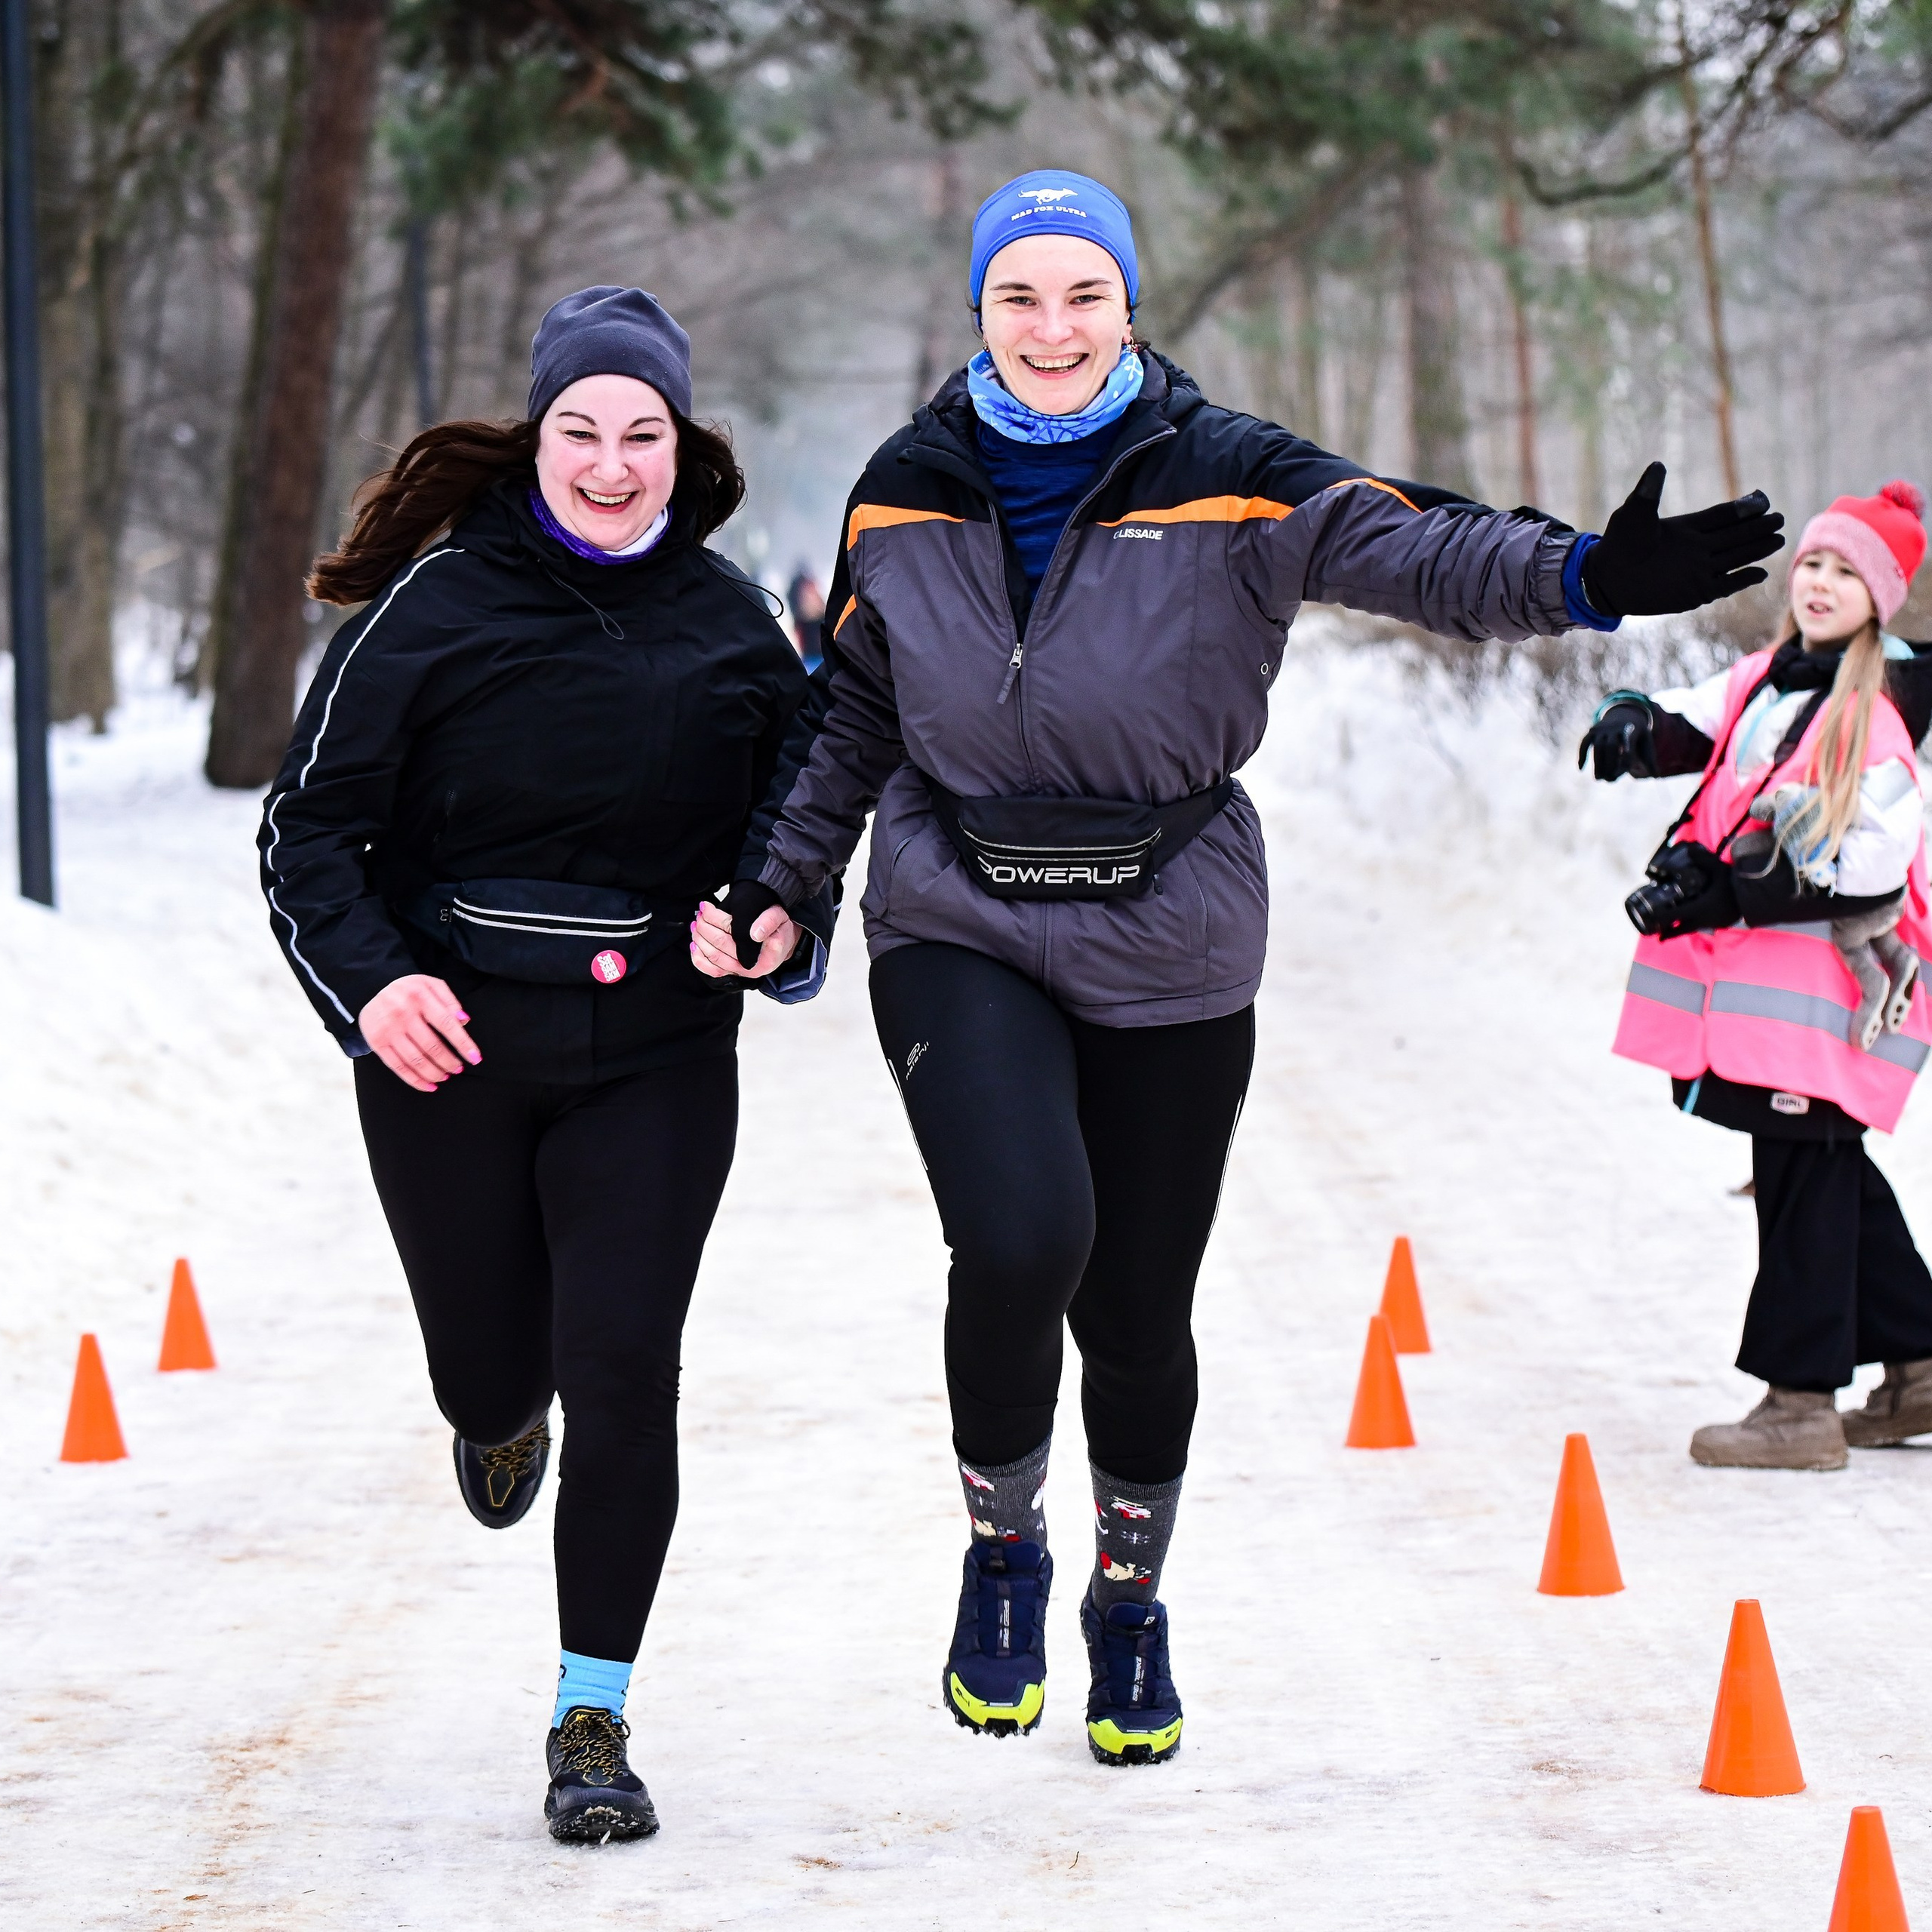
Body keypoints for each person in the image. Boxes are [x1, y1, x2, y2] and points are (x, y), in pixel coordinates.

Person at [690, 169, 1783, 1764]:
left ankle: (1127, 1604)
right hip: (957, 910)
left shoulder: (1229, 475)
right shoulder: (902, 486)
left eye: (1081, 294)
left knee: (1135, 1309)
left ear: (1128, 304)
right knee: (1019, 1238)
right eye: (1018, 296)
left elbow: (1420, 550)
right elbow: (850, 699)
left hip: (1168, 926)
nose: (1050, 328)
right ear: (977, 309)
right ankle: (1004, 1549)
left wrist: (1587, 578)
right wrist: (781, 885)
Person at [258, 287, 829, 1841]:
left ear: (680, 446)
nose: (610, 461)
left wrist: (767, 922)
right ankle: (493, 1408)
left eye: (640, 433)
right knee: (496, 1371)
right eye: (581, 429)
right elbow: (309, 829)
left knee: (625, 1370)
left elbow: (789, 835)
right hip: (451, 1054)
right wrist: (375, 992)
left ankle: (593, 1713)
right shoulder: (433, 607)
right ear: (537, 438)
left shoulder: (729, 625)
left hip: (651, 1055)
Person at [1582, 479, 1932, 1470]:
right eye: (1813, 563)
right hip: (1780, 1000)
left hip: (1835, 990)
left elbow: (1867, 858)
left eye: (1846, 571)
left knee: (1802, 1179)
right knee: (1820, 1166)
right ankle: (1919, 1362)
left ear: (1883, 596)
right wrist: (1633, 724)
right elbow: (1694, 720)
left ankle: (1799, 1405)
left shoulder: (1878, 713)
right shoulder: (1769, 676)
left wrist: (1733, 888)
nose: (1820, 582)